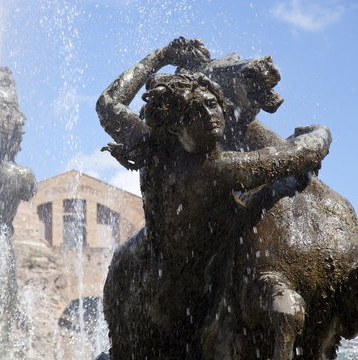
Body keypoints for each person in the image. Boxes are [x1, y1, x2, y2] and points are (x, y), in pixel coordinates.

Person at [96, 38, 332, 359]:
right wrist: (321, 132)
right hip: (190, 298)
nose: (209, 116)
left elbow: (109, 101)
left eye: (211, 104)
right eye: (195, 113)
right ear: (176, 124)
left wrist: (161, 56)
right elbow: (301, 154)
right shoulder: (217, 168)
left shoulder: (149, 143)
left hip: (133, 267)